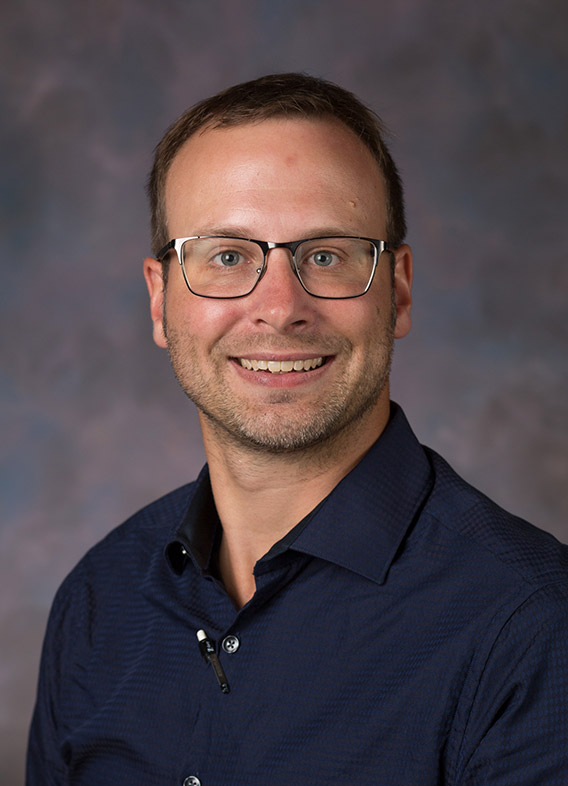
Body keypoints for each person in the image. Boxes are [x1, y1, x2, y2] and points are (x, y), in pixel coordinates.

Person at [27, 73, 568, 786]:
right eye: (227, 256)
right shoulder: (98, 602)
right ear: (160, 301)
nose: (280, 308)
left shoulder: (533, 627)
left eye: (327, 254)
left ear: (398, 289)